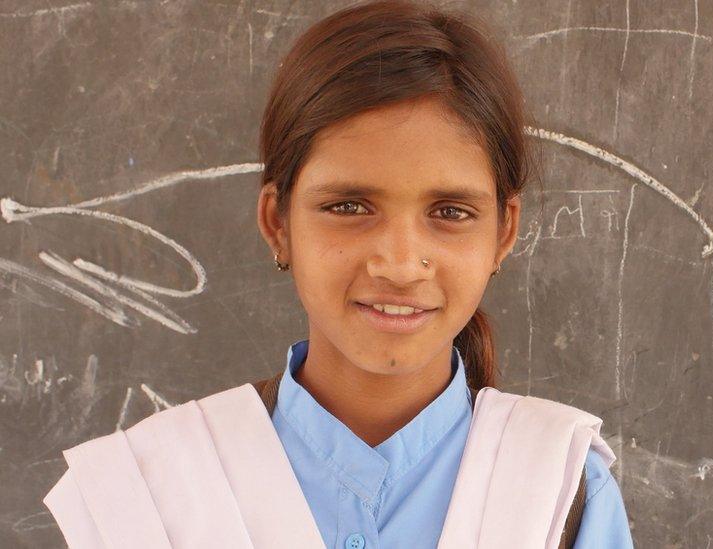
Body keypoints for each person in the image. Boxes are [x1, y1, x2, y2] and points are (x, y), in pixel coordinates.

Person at [43, 1, 633, 547]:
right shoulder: (148, 491)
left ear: (503, 232)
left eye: (451, 212)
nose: (400, 265)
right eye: (348, 207)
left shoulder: (560, 495)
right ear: (278, 222)